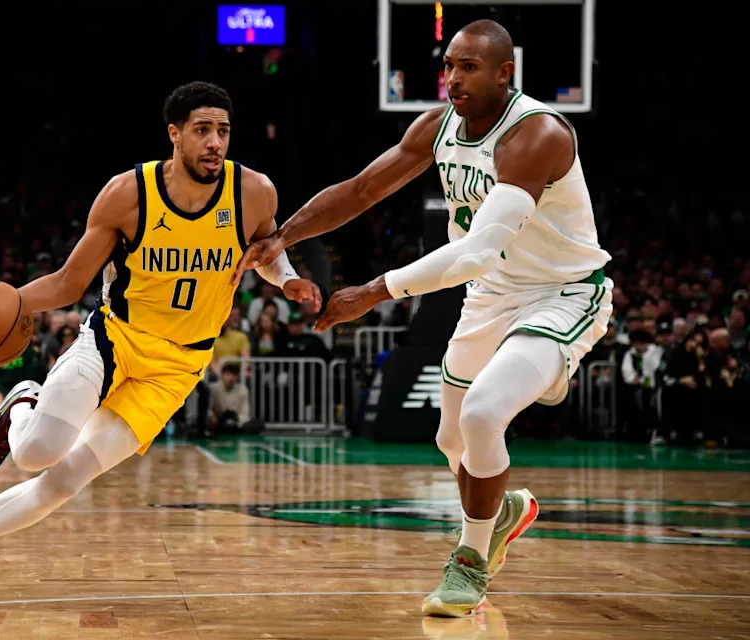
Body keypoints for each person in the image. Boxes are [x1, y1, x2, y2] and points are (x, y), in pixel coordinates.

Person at [234, 20, 611, 617]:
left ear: (504, 73)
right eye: (450, 65)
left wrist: (373, 292)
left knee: (486, 412)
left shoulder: (536, 133)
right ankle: (504, 509)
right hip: (492, 294)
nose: (454, 78)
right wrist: (281, 236)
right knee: (450, 439)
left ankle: (469, 563)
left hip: (559, 293)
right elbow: (361, 191)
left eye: (469, 67)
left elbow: (477, 250)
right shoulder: (438, 126)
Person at [0, 81, 321, 606]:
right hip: (114, 339)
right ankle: (24, 406)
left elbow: (267, 248)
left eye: (223, 131)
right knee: (36, 455)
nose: (215, 142)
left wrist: (288, 280)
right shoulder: (128, 194)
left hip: (177, 368)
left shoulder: (254, 191)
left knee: (65, 483)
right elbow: (67, 283)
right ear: (174, 135)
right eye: (202, 131)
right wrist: (0, 300)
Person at [208, 363, 251, 435]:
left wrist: (236, 421)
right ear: (222, 375)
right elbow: (208, 409)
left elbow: (245, 413)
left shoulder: (243, 390)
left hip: (235, 422)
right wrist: (212, 417)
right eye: (228, 374)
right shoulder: (213, 389)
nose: (231, 378)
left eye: (234, 375)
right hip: (217, 422)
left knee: (257, 424)